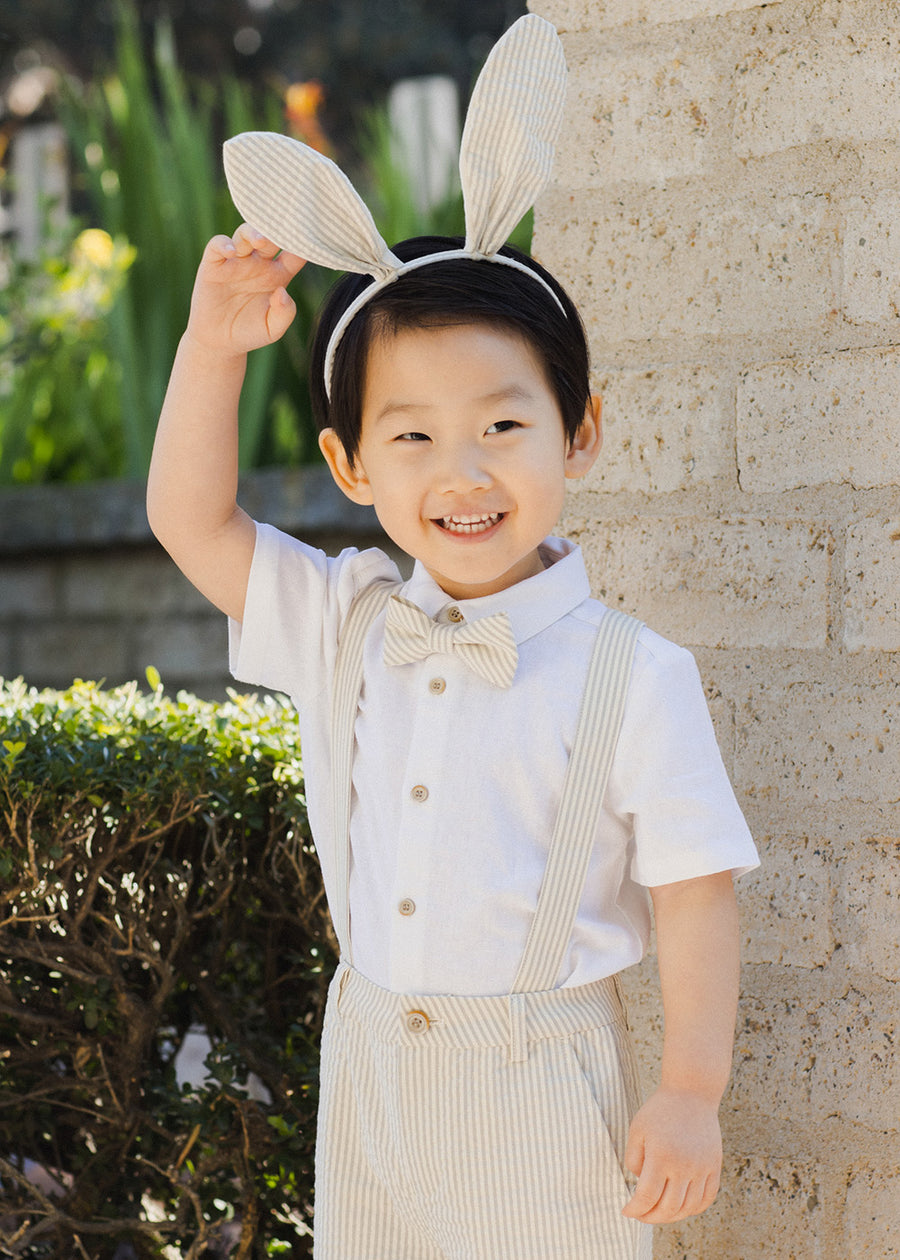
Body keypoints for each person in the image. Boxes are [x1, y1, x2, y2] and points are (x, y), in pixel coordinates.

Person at [147, 18, 758, 1258]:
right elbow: (189, 517)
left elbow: (694, 898)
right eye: (413, 435)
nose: (461, 470)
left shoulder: (633, 674)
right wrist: (214, 348)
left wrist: (690, 1092)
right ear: (350, 461)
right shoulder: (346, 616)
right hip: (371, 1070)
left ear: (577, 433)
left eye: (503, 424)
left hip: (544, 1080)